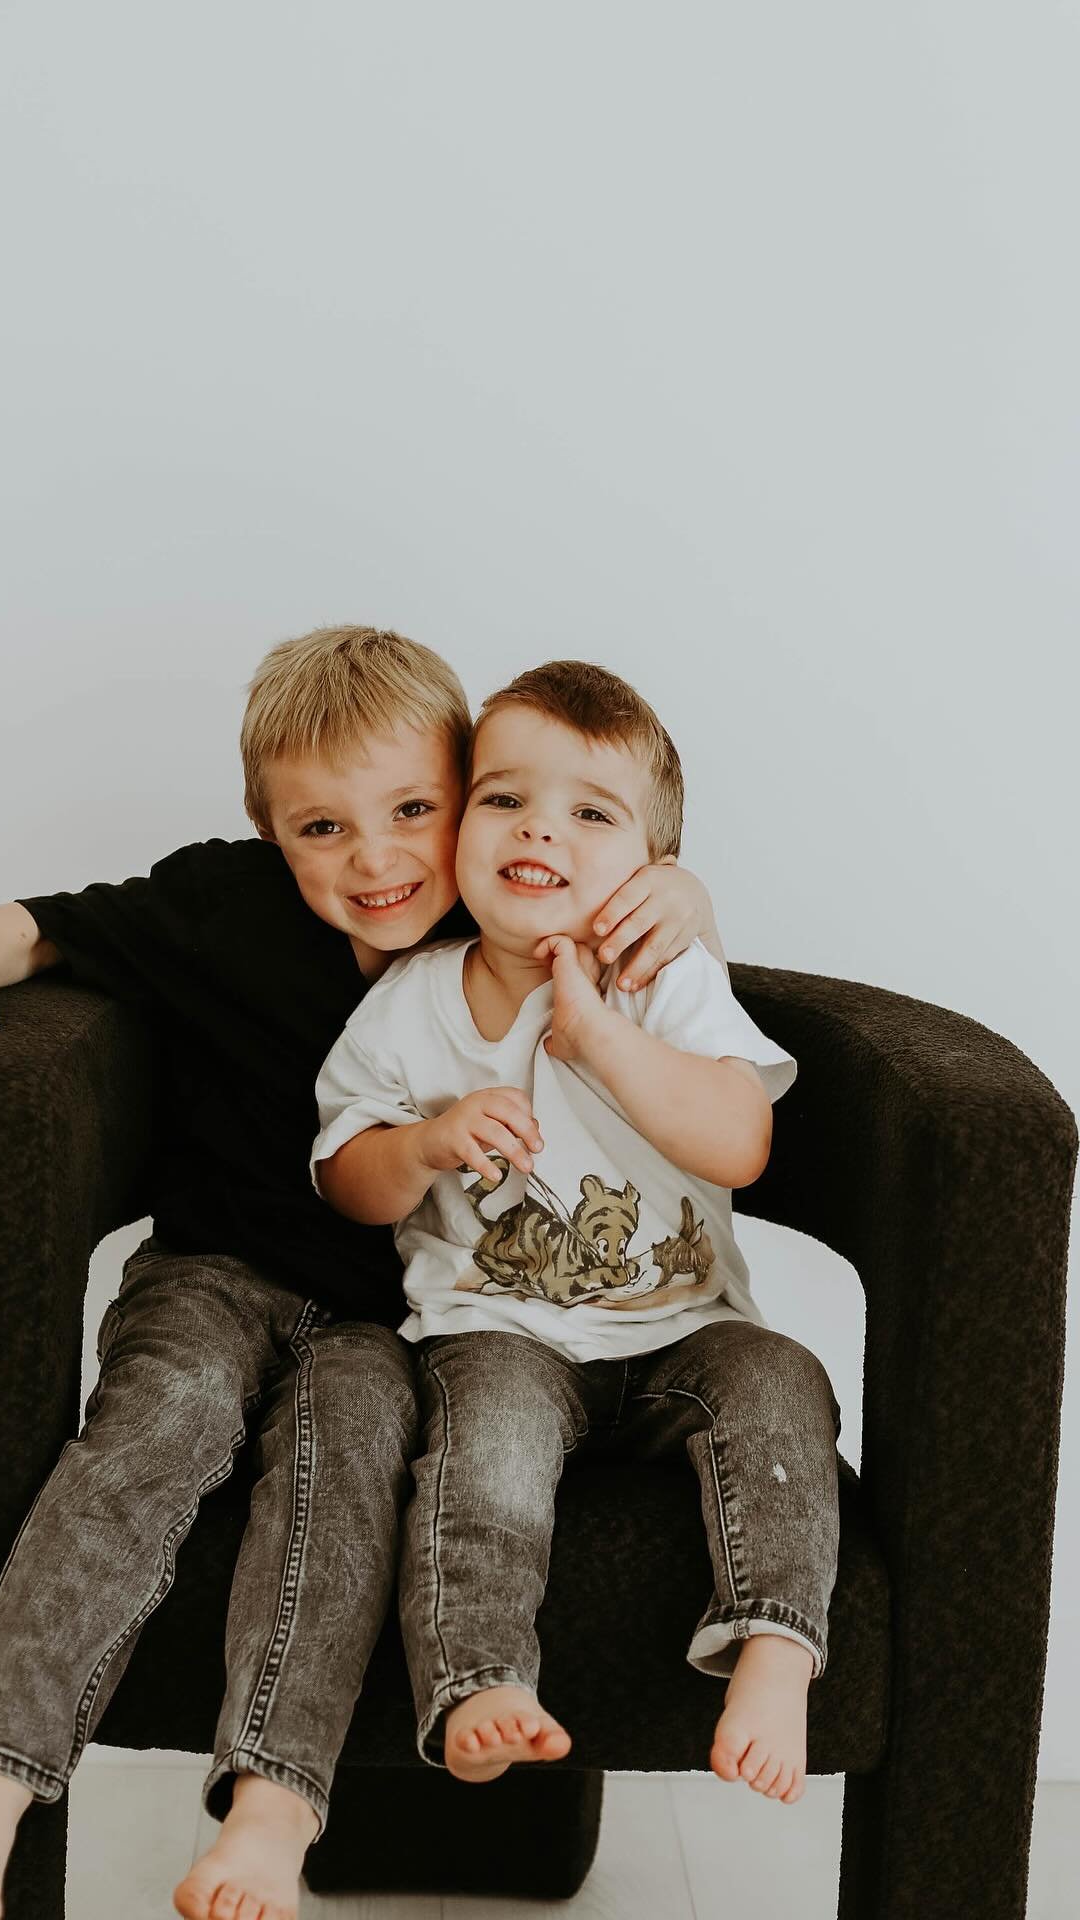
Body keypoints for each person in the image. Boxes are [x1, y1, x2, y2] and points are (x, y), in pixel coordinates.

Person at [0, 626, 723, 1920]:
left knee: (341, 1488)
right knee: (151, 1432)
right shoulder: (228, 903)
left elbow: (641, 894)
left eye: (411, 813)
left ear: (471, 800)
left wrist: (690, 894)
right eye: (320, 828)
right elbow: (46, 927)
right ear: (269, 832)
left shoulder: (514, 925)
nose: (376, 858)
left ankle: (273, 1815)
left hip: (389, 1327)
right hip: (214, 1271)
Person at [312, 659, 842, 1811]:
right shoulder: (411, 999)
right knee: (482, 1445)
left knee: (782, 1380)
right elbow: (347, 1177)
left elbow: (742, 1138)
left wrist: (604, 1040)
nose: (538, 827)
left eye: (589, 812)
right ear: (458, 829)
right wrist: (428, 1142)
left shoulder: (660, 975)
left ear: (654, 869)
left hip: (683, 1333)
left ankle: (776, 1644)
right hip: (499, 1332)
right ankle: (477, 1681)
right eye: (504, 799)